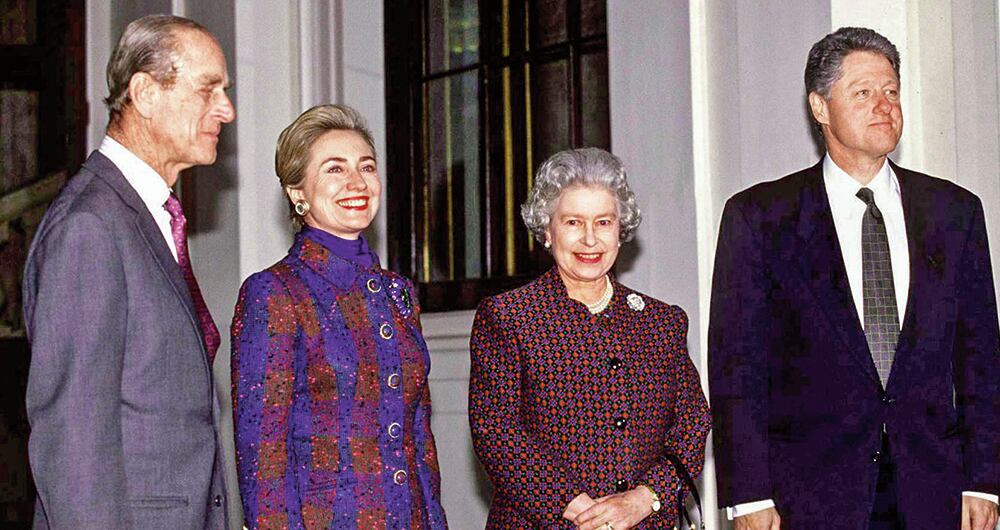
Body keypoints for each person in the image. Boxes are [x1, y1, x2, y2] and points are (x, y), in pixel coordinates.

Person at [709, 27, 1000, 530]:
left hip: (935, 493)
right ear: (820, 108)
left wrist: (984, 480)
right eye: (863, 93)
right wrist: (749, 499)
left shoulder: (954, 212)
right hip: (809, 497)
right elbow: (739, 368)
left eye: (891, 91)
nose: (884, 105)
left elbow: (981, 360)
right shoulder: (760, 217)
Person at [21, 14, 235, 529]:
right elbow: (72, 441)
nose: (226, 110)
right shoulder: (89, 227)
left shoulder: (145, 215)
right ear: (144, 93)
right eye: (209, 90)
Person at [468, 148, 711, 530]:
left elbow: (693, 422)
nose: (590, 239)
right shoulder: (509, 318)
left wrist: (644, 499)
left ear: (621, 229)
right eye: (572, 222)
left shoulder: (662, 322)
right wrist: (582, 511)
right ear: (547, 231)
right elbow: (496, 432)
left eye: (603, 222)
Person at [231, 104, 448, 529]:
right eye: (334, 169)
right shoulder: (274, 292)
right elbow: (263, 458)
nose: (357, 182)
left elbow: (419, 437)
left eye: (366, 167)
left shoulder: (397, 292)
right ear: (298, 192)